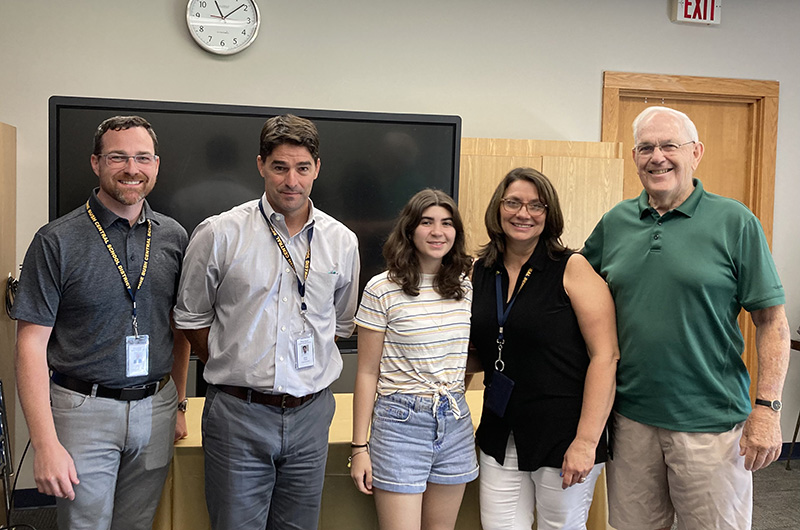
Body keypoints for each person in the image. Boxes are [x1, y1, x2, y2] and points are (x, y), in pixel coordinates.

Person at [582, 106, 790, 530]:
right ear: (636, 157)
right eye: (646, 147)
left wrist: (767, 409)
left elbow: (772, 321)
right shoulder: (615, 223)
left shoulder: (735, 222)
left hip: (710, 424)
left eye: (669, 145)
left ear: (695, 152)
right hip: (630, 420)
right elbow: (573, 288)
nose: (657, 156)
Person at [174, 114, 360, 530]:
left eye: (302, 168)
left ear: (317, 169)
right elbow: (190, 319)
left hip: (312, 415)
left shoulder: (342, 241)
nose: (291, 180)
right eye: (279, 167)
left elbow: (341, 322)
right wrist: (235, 362)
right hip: (238, 413)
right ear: (261, 165)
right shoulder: (219, 233)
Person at [12, 115, 190, 530]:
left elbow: (178, 328)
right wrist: (44, 443)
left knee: (137, 524)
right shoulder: (56, 240)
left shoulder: (174, 236)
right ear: (96, 163)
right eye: (118, 157)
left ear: (156, 165)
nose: (132, 168)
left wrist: (178, 402)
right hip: (83, 411)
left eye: (142, 157)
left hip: (156, 406)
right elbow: (30, 345)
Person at [469, 168, 619, 530]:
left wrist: (586, 441)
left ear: (549, 214)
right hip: (500, 432)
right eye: (514, 203)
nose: (524, 213)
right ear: (497, 208)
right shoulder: (481, 271)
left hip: (563, 434)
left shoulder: (572, 267)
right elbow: (479, 347)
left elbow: (606, 355)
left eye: (537, 206)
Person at [350, 189, 478, 530]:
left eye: (447, 223)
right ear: (410, 229)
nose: (438, 232)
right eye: (427, 222)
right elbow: (366, 373)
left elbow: (462, 357)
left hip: (454, 421)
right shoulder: (382, 289)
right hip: (400, 424)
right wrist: (359, 447)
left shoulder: (464, 287)